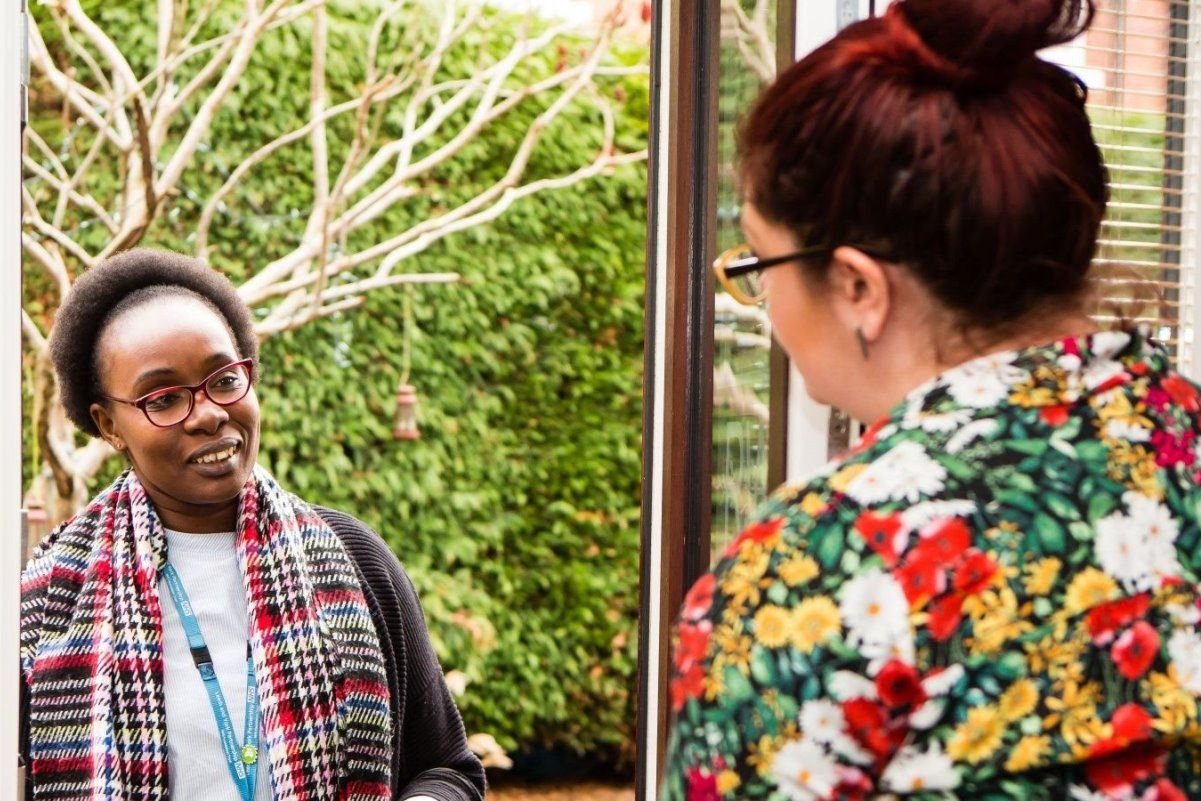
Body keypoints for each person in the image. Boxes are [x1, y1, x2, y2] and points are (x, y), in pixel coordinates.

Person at [663, 1, 1201, 798]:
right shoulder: (1181, 439)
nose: (763, 303)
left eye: (760, 264)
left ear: (857, 286)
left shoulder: (809, 573)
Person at [19, 249, 486, 801]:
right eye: (164, 398)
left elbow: (447, 769)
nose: (210, 413)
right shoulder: (48, 602)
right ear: (108, 424)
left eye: (224, 379)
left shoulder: (355, 560)